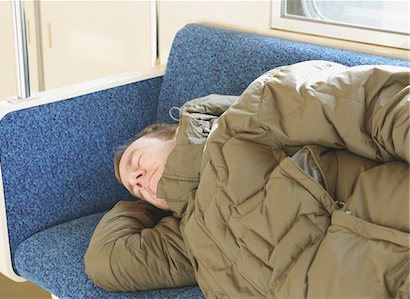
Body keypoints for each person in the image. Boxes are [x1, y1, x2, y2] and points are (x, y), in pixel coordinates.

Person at [85, 61, 409, 297]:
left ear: (171, 132)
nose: (139, 179)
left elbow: (371, 104)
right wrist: (133, 206)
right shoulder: (189, 239)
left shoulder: (245, 121)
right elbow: (106, 262)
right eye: (135, 187)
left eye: (136, 161)